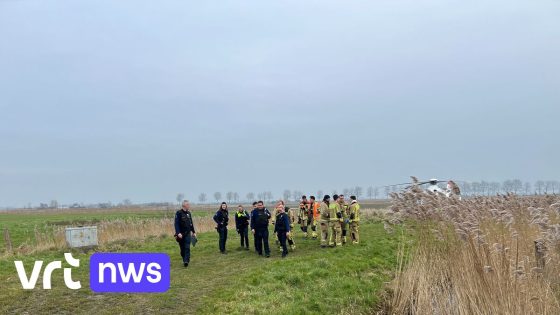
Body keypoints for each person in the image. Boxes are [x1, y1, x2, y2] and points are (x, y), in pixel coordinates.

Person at [174, 200, 197, 267]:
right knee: (182, 249)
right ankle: (184, 257)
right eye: (188, 205)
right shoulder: (178, 213)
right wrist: (178, 233)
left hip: (187, 234)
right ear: (184, 205)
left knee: (187, 247)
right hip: (181, 234)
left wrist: (193, 232)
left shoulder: (189, 213)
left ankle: (186, 261)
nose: (189, 206)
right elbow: (176, 224)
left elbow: (191, 224)